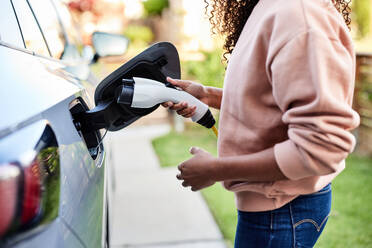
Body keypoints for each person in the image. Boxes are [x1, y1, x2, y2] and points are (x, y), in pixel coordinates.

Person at [162, 0, 360, 247]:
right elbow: (269, 99)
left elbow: (320, 147)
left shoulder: (299, 15)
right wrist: (208, 95)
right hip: (273, 210)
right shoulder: (273, 7)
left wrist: (215, 169)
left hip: (281, 211)